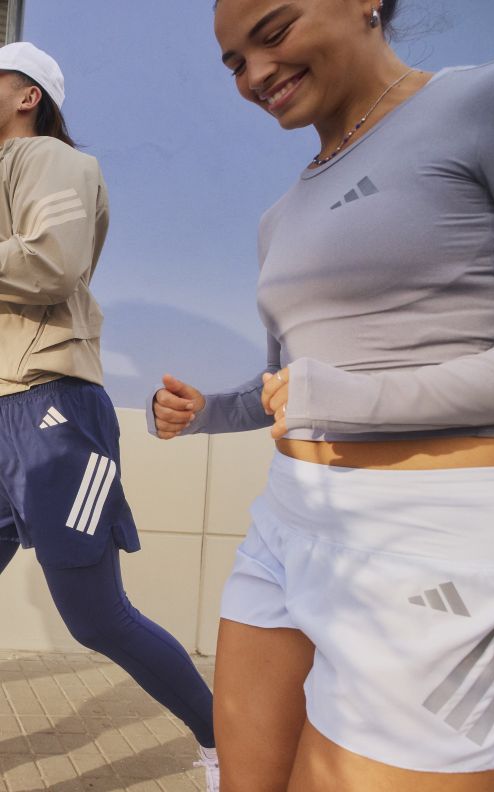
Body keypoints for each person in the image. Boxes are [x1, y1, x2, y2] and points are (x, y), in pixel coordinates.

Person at [150, 1, 494, 789]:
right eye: (232, 64)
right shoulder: (278, 216)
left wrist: (358, 402)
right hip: (287, 528)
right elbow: (298, 385)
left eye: (273, 32)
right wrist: (207, 412)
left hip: (439, 548)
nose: (253, 75)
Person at [0, 42, 219, 791]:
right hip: (2, 409)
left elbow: (51, 263)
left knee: (95, 619)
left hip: (54, 408)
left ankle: (228, 740)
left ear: (27, 94)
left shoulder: (54, 161)